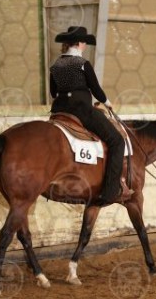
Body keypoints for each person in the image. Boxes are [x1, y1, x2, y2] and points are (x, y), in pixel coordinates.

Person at [49, 26, 131, 205]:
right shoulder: (82, 64)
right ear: (79, 43)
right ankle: (110, 192)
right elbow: (95, 89)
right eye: (84, 42)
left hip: (58, 111)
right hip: (80, 110)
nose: (85, 45)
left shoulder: (56, 65)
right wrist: (107, 103)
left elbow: (53, 92)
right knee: (117, 141)